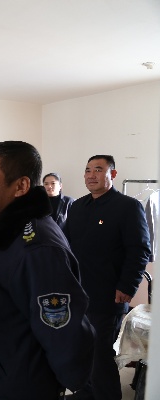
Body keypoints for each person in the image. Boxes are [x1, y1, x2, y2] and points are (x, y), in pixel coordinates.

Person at [0, 141, 95, 400]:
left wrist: (71, 385)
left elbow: (63, 335)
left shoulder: (38, 249)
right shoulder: (2, 231)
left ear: (20, 186)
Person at [64, 155, 151, 400]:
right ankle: (87, 392)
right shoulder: (78, 207)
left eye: (98, 169)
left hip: (109, 294)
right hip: (78, 293)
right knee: (82, 349)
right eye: (87, 170)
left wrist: (127, 286)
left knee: (101, 353)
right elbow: (65, 246)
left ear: (112, 174)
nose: (91, 175)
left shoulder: (127, 207)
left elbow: (139, 250)